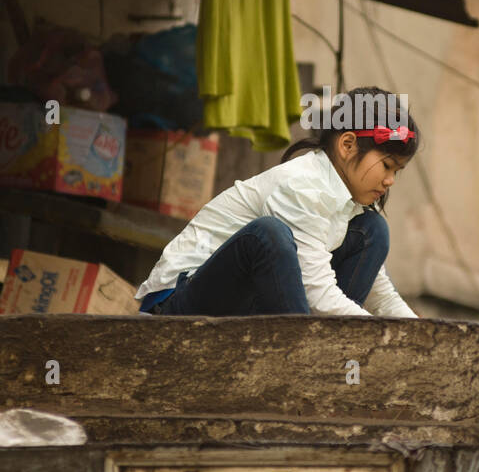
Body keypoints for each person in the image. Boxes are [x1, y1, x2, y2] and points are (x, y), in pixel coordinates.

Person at [134, 86, 418, 317]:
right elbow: (317, 293)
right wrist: (371, 334)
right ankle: (307, 361)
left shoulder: (350, 204)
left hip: (244, 306)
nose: (390, 180)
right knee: (268, 234)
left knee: (373, 230)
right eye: (387, 166)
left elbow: (379, 294)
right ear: (347, 145)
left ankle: (320, 355)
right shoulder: (303, 186)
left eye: (396, 172)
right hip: (176, 305)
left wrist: (421, 335)